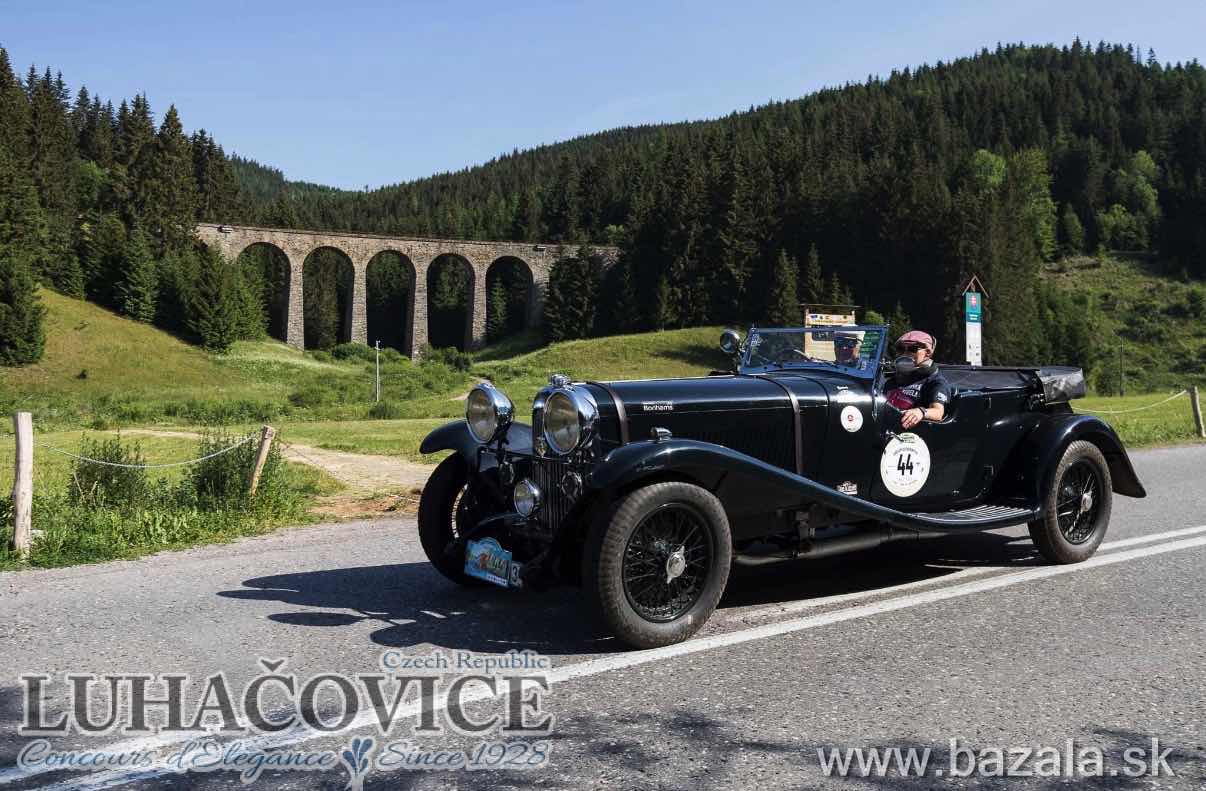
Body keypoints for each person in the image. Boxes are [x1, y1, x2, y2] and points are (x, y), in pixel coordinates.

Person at [886, 330, 951, 429]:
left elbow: (938, 412)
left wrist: (921, 411)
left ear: (927, 353)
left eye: (912, 349)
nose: (905, 353)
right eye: (900, 349)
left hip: (912, 436)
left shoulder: (935, 381)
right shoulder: (892, 381)